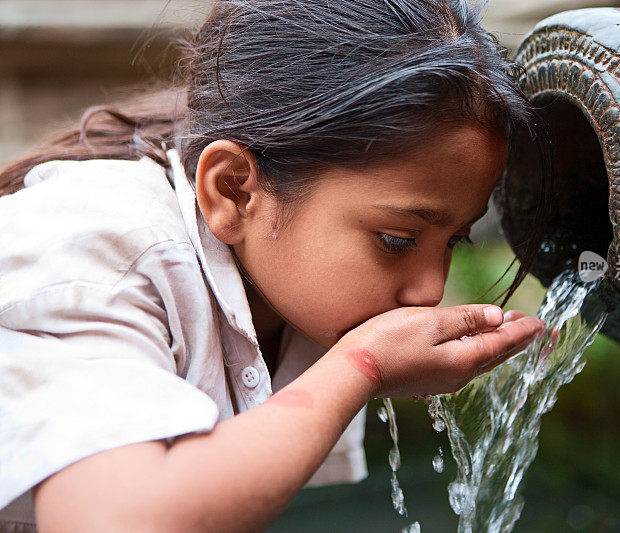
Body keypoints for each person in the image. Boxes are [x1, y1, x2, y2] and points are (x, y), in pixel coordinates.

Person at [0, 0, 553, 531]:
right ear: (235, 191)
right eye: (397, 239)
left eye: (455, 240)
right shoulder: (100, 248)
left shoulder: (285, 284)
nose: (429, 292)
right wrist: (360, 367)